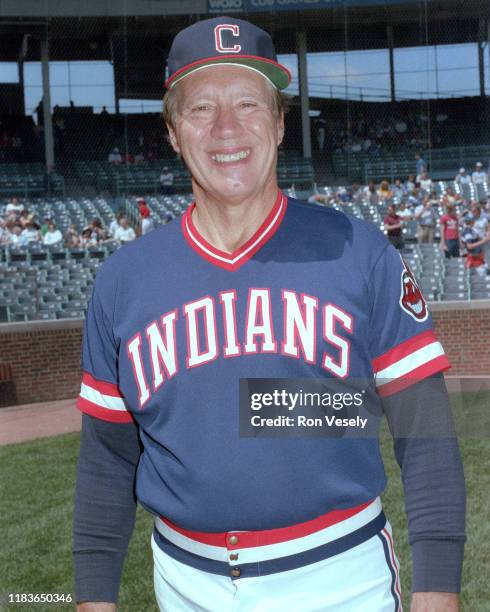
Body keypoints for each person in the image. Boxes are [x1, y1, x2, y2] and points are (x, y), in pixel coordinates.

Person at [73, 16, 465, 612]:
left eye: (248, 104)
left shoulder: (360, 253)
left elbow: (426, 428)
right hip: (183, 581)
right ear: (174, 132)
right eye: (200, 108)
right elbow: (106, 459)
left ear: (280, 124)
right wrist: (92, 598)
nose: (226, 128)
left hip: (339, 576)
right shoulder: (124, 282)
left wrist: (438, 588)